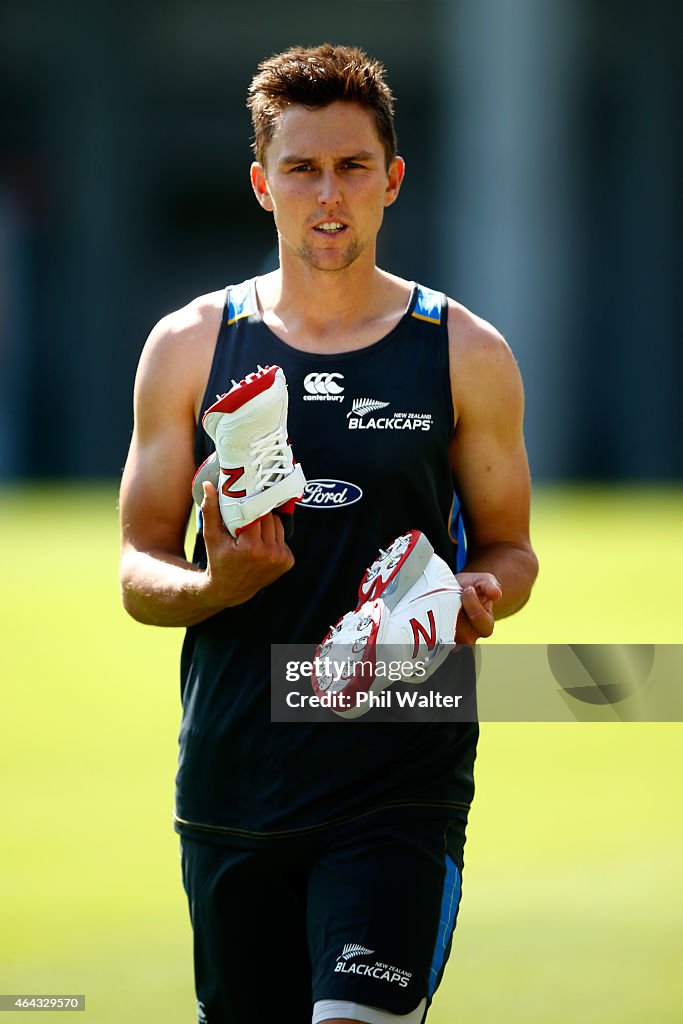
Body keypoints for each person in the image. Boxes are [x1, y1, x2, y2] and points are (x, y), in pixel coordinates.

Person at [119, 43, 538, 1024]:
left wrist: (481, 592)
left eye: (352, 165)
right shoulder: (188, 347)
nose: (328, 193)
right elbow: (138, 568)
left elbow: (508, 548)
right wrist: (214, 585)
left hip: (398, 785)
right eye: (302, 168)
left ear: (391, 179)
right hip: (234, 780)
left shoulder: (464, 353)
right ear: (263, 184)